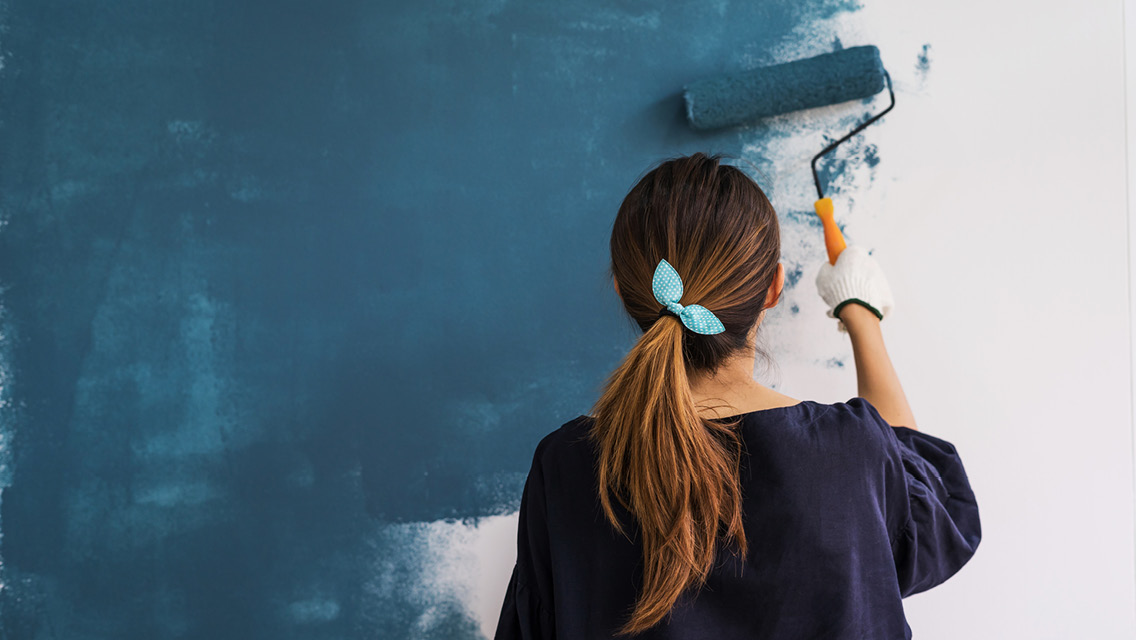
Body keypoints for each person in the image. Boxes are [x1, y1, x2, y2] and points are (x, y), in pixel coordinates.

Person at [494, 152, 981, 639]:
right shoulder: (849, 452)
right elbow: (934, 515)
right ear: (774, 287)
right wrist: (861, 313)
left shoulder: (565, 467)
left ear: (624, 291)